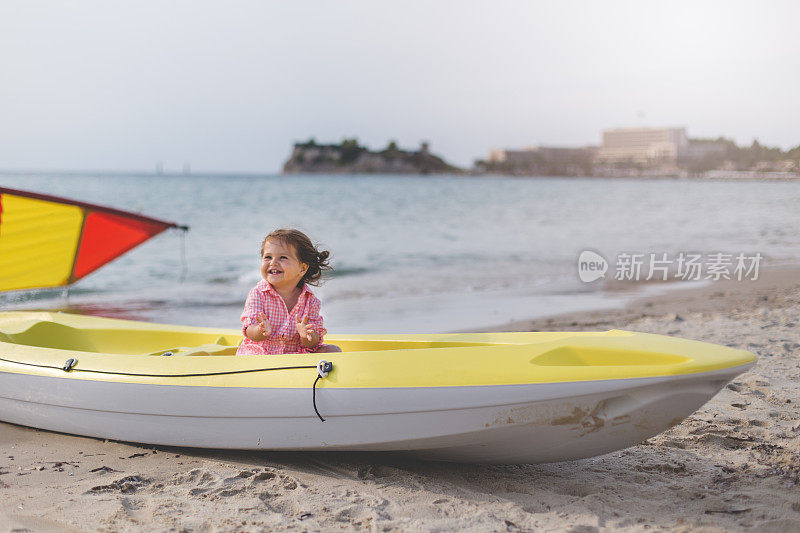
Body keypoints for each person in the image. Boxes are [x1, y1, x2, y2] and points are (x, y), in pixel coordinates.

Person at [236, 228, 341, 355]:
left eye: (283, 258)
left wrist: (306, 335)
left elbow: (313, 342)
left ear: (302, 268)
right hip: (262, 355)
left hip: (293, 356)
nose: (273, 262)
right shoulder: (258, 293)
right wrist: (260, 330)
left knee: (333, 350)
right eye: (268, 257)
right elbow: (249, 330)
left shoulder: (310, 300)